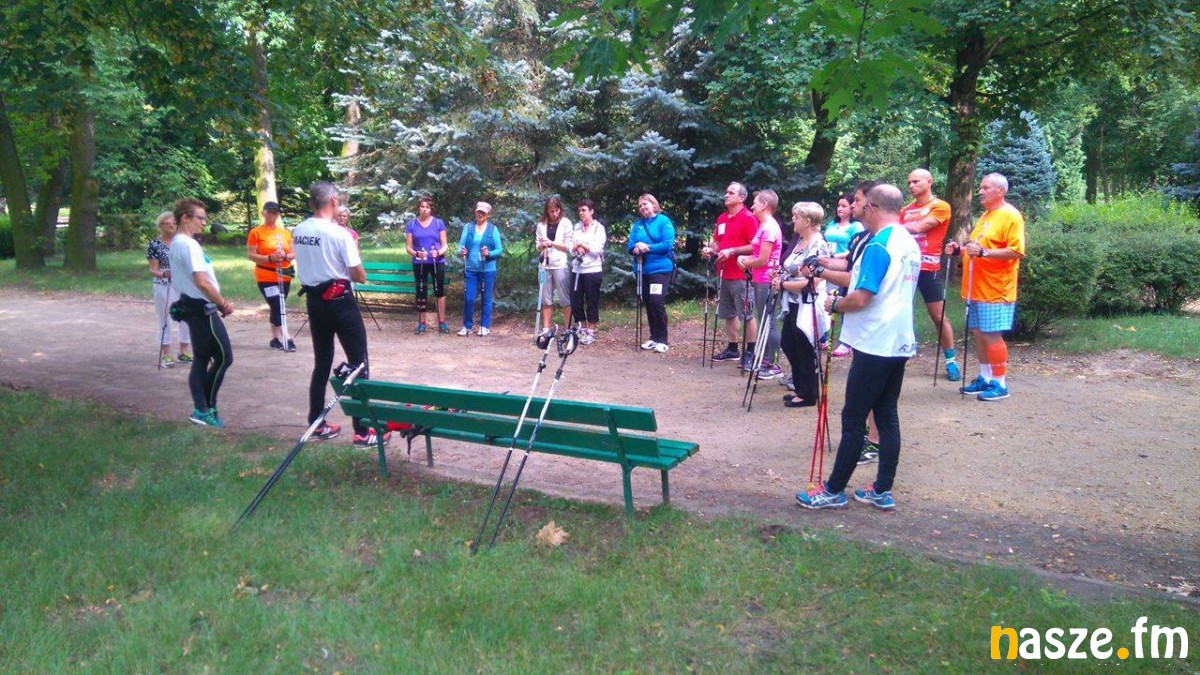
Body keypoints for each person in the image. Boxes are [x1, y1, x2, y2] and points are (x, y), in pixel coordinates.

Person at [796, 184, 920, 511]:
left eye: (863, 205)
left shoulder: (880, 245)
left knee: (853, 418)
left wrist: (835, 305)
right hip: (898, 340)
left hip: (876, 342)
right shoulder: (907, 241)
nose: (858, 208)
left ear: (873, 207)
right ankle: (881, 489)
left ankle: (833, 490)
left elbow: (863, 296)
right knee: (886, 414)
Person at [292, 181, 382, 447]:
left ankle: (315, 422)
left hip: (314, 302)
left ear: (312, 202)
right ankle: (363, 431)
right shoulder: (339, 234)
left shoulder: (299, 231)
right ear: (333, 202)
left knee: (322, 362)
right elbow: (359, 275)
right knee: (359, 363)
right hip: (340, 302)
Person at [945, 172, 1026, 402]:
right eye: (980, 188)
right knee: (979, 334)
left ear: (1001, 191)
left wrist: (984, 252)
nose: (980, 191)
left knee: (991, 335)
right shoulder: (986, 216)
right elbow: (977, 248)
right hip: (976, 287)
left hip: (996, 288)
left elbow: (1016, 251)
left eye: (985, 188)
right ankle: (985, 377)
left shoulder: (1011, 215)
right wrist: (959, 250)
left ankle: (1000, 383)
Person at [169, 198, 235, 428]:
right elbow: (202, 282)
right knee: (224, 357)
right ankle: (206, 408)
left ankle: (202, 409)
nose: (204, 223)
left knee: (202, 358)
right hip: (201, 308)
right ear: (185, 217)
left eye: (205, 219)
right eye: (200, 218)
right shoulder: (188, 245)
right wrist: (223, 304)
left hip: (192, 306)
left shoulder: (179, 243)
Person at [901, 169, 960, 381]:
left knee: (937, 315)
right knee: (900, 311)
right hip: (905, 267)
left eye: (916, 181)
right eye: (909, 182)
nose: (911, 186)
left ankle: (951, 360)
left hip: (928, 268)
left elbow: (920, 227)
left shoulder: (940, 206)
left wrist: (898, 227)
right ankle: (897, 354)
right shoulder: (905, 210)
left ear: (929, 182)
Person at [774, 202, 831, 407]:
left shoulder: (819, 244)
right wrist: (780, 277)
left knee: (804, 346)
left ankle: (808, 394)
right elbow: (791, 268)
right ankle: (800, 387)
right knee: (789, 343)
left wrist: (783, 285)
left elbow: (814, 282)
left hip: (808, 303)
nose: (792, 220)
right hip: (792, 300)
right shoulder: (799, 241)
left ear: (807, 221)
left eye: (796, 217)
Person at [704, 182, 759, 369]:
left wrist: (733, 251)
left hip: (741, 274)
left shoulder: (749, 218)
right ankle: (733, 348)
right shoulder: (722, 218)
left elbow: (755, 246)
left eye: (731, 192)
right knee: (728, 313)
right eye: (726, 192)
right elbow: (717, 242)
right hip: (723, 272)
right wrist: (710, 250)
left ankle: (750, 351)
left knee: (747, 314)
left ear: (742, 198)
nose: (726, 195)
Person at [736, 189, 784, 379]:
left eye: (755, 202)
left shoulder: (769, 227)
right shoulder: (764, 226)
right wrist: (746, 260)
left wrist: (744, 261)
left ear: (764, 205)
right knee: (765, 320)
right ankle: (766, 359)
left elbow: (763, 259)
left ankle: (773, 364)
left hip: (766, 280)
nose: (752, 205)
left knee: (768, 321)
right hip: (761, 279)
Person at [627, 193, 676, 353]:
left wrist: (648, 248)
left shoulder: (663, 221)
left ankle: (663, 339)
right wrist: (636, 249)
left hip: (660, 270)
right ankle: (654, 337)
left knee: (656, 302)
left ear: (654, 205)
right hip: (643, 269)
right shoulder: (638, 225)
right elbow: (630, 245)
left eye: (645, 204)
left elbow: (668, 244)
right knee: (648, 302)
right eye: (640, 206)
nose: (642, 207)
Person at [246, 201, 296, 351]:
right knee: (277, 304)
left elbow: (294, 253)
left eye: (275, 212)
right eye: (270, 212)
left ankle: (274, 339)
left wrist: (285, 256)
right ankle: (287, 338)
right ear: (264, 213)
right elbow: (251, 255)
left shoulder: (285, 233)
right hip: (266, 275)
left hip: (284, 274)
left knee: (278, 306)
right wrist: (269, 258)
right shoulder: (256, 232)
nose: (272, 215)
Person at [147, 211, 191, 368]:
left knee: (186, 317)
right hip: (164, 286)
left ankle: (184, 351)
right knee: (166, 319)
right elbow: (153, 269)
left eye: (174, 222)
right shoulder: (155, 244)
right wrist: (164, 273)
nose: (172, 225)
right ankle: (166, 354)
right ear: (160, 226)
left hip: (184, 285)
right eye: (168, 223)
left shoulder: (183, 242)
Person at [824, 193, 865, 357]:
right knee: (827, 300)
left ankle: (846, 342)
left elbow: (855, 249)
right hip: (830, 265)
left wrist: (836, 256)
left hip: (845, 266)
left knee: (844, 300)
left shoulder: (856, 227)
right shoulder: (832, 224)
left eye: (844, 206)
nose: (840, 208)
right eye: (838, 205)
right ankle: (825, 336)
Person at [458, 201, 504, 336]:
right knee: (469, 298)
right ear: (475, 212)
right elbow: (460, 246)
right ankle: (467, 326)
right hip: (471, 269)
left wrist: (489, 253)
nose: (480, 214)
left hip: (487, 269)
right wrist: (462, 251)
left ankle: (484, 326)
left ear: (488, 214)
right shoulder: (468, 227)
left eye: (483, 212)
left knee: (486, 298)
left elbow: (499, 250)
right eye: (479, 211)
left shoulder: (493, 229)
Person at [405, 196, 449, 334]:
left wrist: (439, 252)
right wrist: (416, 254)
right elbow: (408, 248)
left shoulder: (438, 223)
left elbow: (445, 245)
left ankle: (442, 322)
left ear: (431, 209)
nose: (424, 209)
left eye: (427, 207)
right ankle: (422, 323)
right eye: (422, 207)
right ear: (418, 208)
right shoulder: (411, 225)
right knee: (421, 292)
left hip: (437, 262)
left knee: (439, 291)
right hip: (420, 263)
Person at [536, 196, 574, 333]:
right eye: (551, 211)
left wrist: (552, 243)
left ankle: (567, 328)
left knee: (565, 299)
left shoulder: (566, 223)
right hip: (544, 265)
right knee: (546, 299)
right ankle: (546, 328)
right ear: (547, 210)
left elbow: (568, 247)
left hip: (560, 265)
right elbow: (537, 247)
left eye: (556, 210)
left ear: (560, 209)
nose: (554, 214)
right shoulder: (541, 224)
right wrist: (542, 245)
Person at [571, 199, 606, 344]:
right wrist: (577, 247)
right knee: (575, 301)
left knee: (592, 301)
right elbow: (571, 247)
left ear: (591, 211)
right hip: (577, 269)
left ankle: (591, 330)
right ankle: (582, 328)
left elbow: (597, 249)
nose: (581, 213)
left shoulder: (598, 228)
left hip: (593, 270)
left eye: (584, 210)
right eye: (579, 211)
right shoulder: (577, 228)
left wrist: (582, 245)